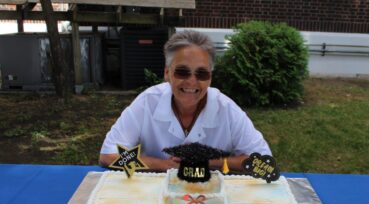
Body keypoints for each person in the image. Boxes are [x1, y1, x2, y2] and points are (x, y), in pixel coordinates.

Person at [99, 30, 271, 172]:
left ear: (210, 78)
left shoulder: (226, 109)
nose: (191, 81)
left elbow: (264, 162)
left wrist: (210, 161)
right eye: (182, 72)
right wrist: (166, 165)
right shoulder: (147, 102)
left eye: (201, 74)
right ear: (167, 73)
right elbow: (108, 155)